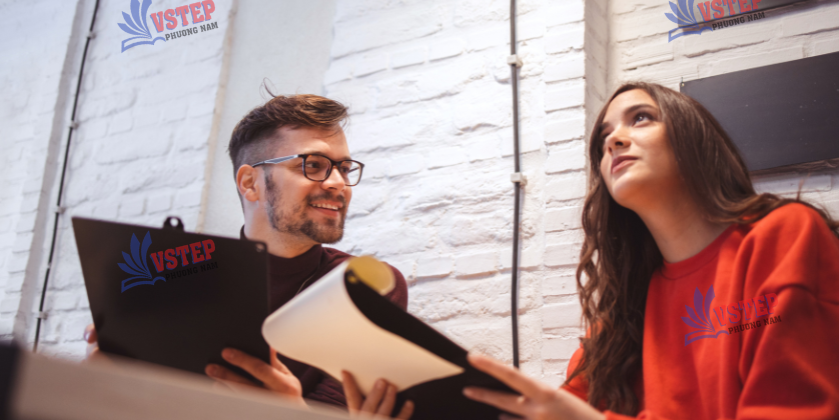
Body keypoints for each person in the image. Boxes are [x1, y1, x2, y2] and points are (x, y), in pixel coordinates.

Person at [460, 82, 839, 419]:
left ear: (692, 136)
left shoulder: (780, 236)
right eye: (604, 137)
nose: (613, 140)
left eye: (640, 118)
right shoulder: (623, 312)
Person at [85, 92, 412, 414]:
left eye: (345, 168)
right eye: (314, 165)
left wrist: (288, 411)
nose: (338, 183)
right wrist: (105, 381)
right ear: (250, 183)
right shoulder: (173, 278)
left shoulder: (367, 287)